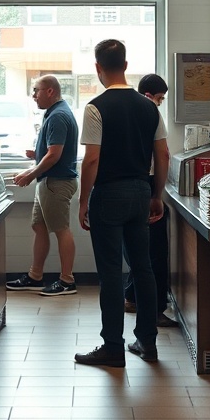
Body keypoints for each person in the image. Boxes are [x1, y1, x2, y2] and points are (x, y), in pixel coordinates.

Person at [75, 40, 170, 367]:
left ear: (98, 68)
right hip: (140, 193)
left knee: (112, 273)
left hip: (108, 196)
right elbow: (163, 154)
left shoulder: (95, 107)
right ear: (126, 66)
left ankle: (113, 346)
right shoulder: (150, 107)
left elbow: (91, 161)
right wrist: (156, 194)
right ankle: (147, 342)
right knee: (143, 268)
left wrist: (83, 200)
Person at [5, 75, 80, 296]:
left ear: (50, 91)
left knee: (61, 229)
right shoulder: (55, 113)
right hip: (48, 181)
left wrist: (30, 173)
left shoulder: (58, 116)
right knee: (39, 226)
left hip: (56, 182)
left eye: (36, 90)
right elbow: (51, 150)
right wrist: (36, 154)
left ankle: (67, 280)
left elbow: (54, 156)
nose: (33, 95)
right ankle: (35, 276)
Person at [122, 73, 177, 328]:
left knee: (135, 249)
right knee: (154, 252)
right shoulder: (151, 113)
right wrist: (158, 194)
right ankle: (155, 311)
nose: (160, 103)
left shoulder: (120, 111)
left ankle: (132, 296)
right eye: (160, 98)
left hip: (123, 190)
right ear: (150, 96)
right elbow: (163, 154)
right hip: (147, 186)